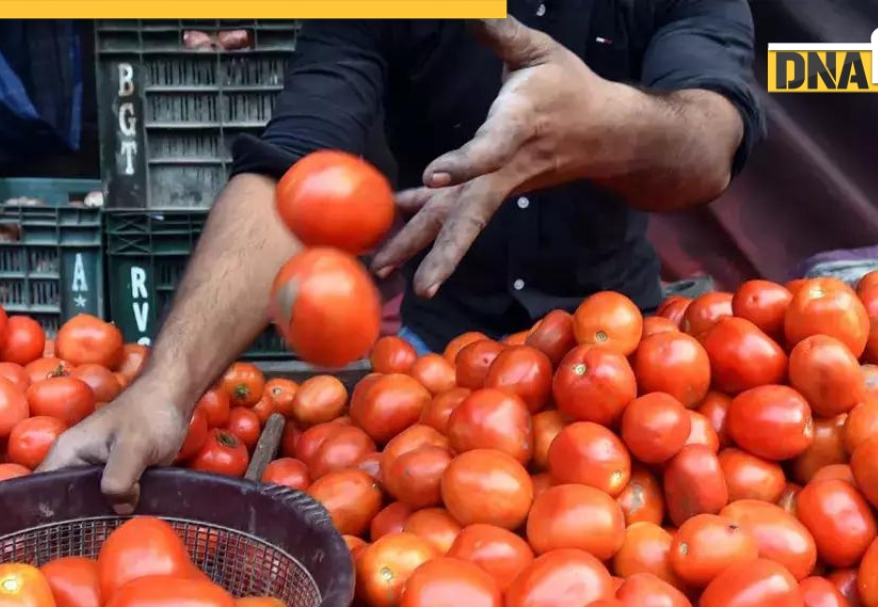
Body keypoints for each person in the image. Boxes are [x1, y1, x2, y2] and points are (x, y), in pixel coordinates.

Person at [39, 4, 765, 504]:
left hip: (625, 367)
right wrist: (165, 389)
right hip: (439, 378)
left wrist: (604, 130)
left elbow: (710, 140)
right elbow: (296, 172)